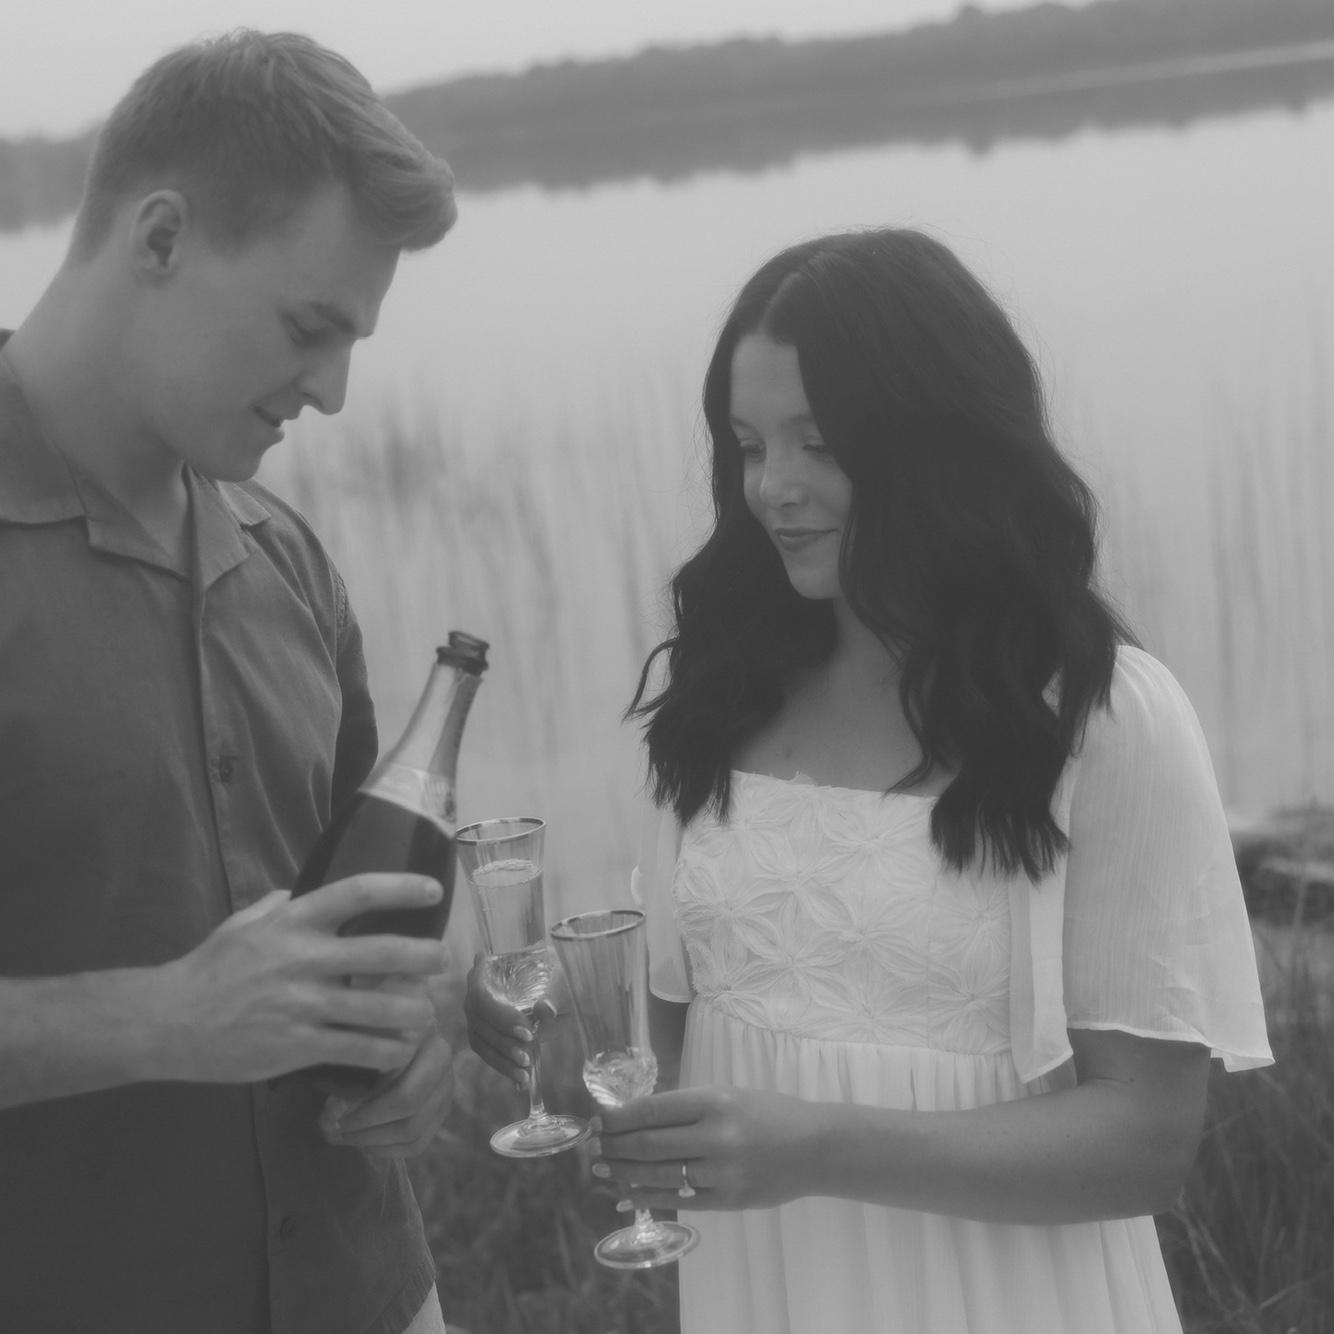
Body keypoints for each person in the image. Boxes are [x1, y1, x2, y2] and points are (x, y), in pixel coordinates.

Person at [467, 228, 1274, 1333]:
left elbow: (1144, 1144)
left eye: (819, 442)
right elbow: (677, 1031)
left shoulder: (1099, 717)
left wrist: (821, 1148)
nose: (773, 487)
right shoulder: (718, 702)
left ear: (936, 441)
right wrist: (541, 1021)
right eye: (748, 445)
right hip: (764, 1295)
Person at [0, 31, 462, 1334]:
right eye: (310, 328)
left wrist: (421, 1031)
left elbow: (376, 925)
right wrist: (161, 1018)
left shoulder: (288, 556)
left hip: (377, 1295)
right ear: (160, 238)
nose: (334, 391)